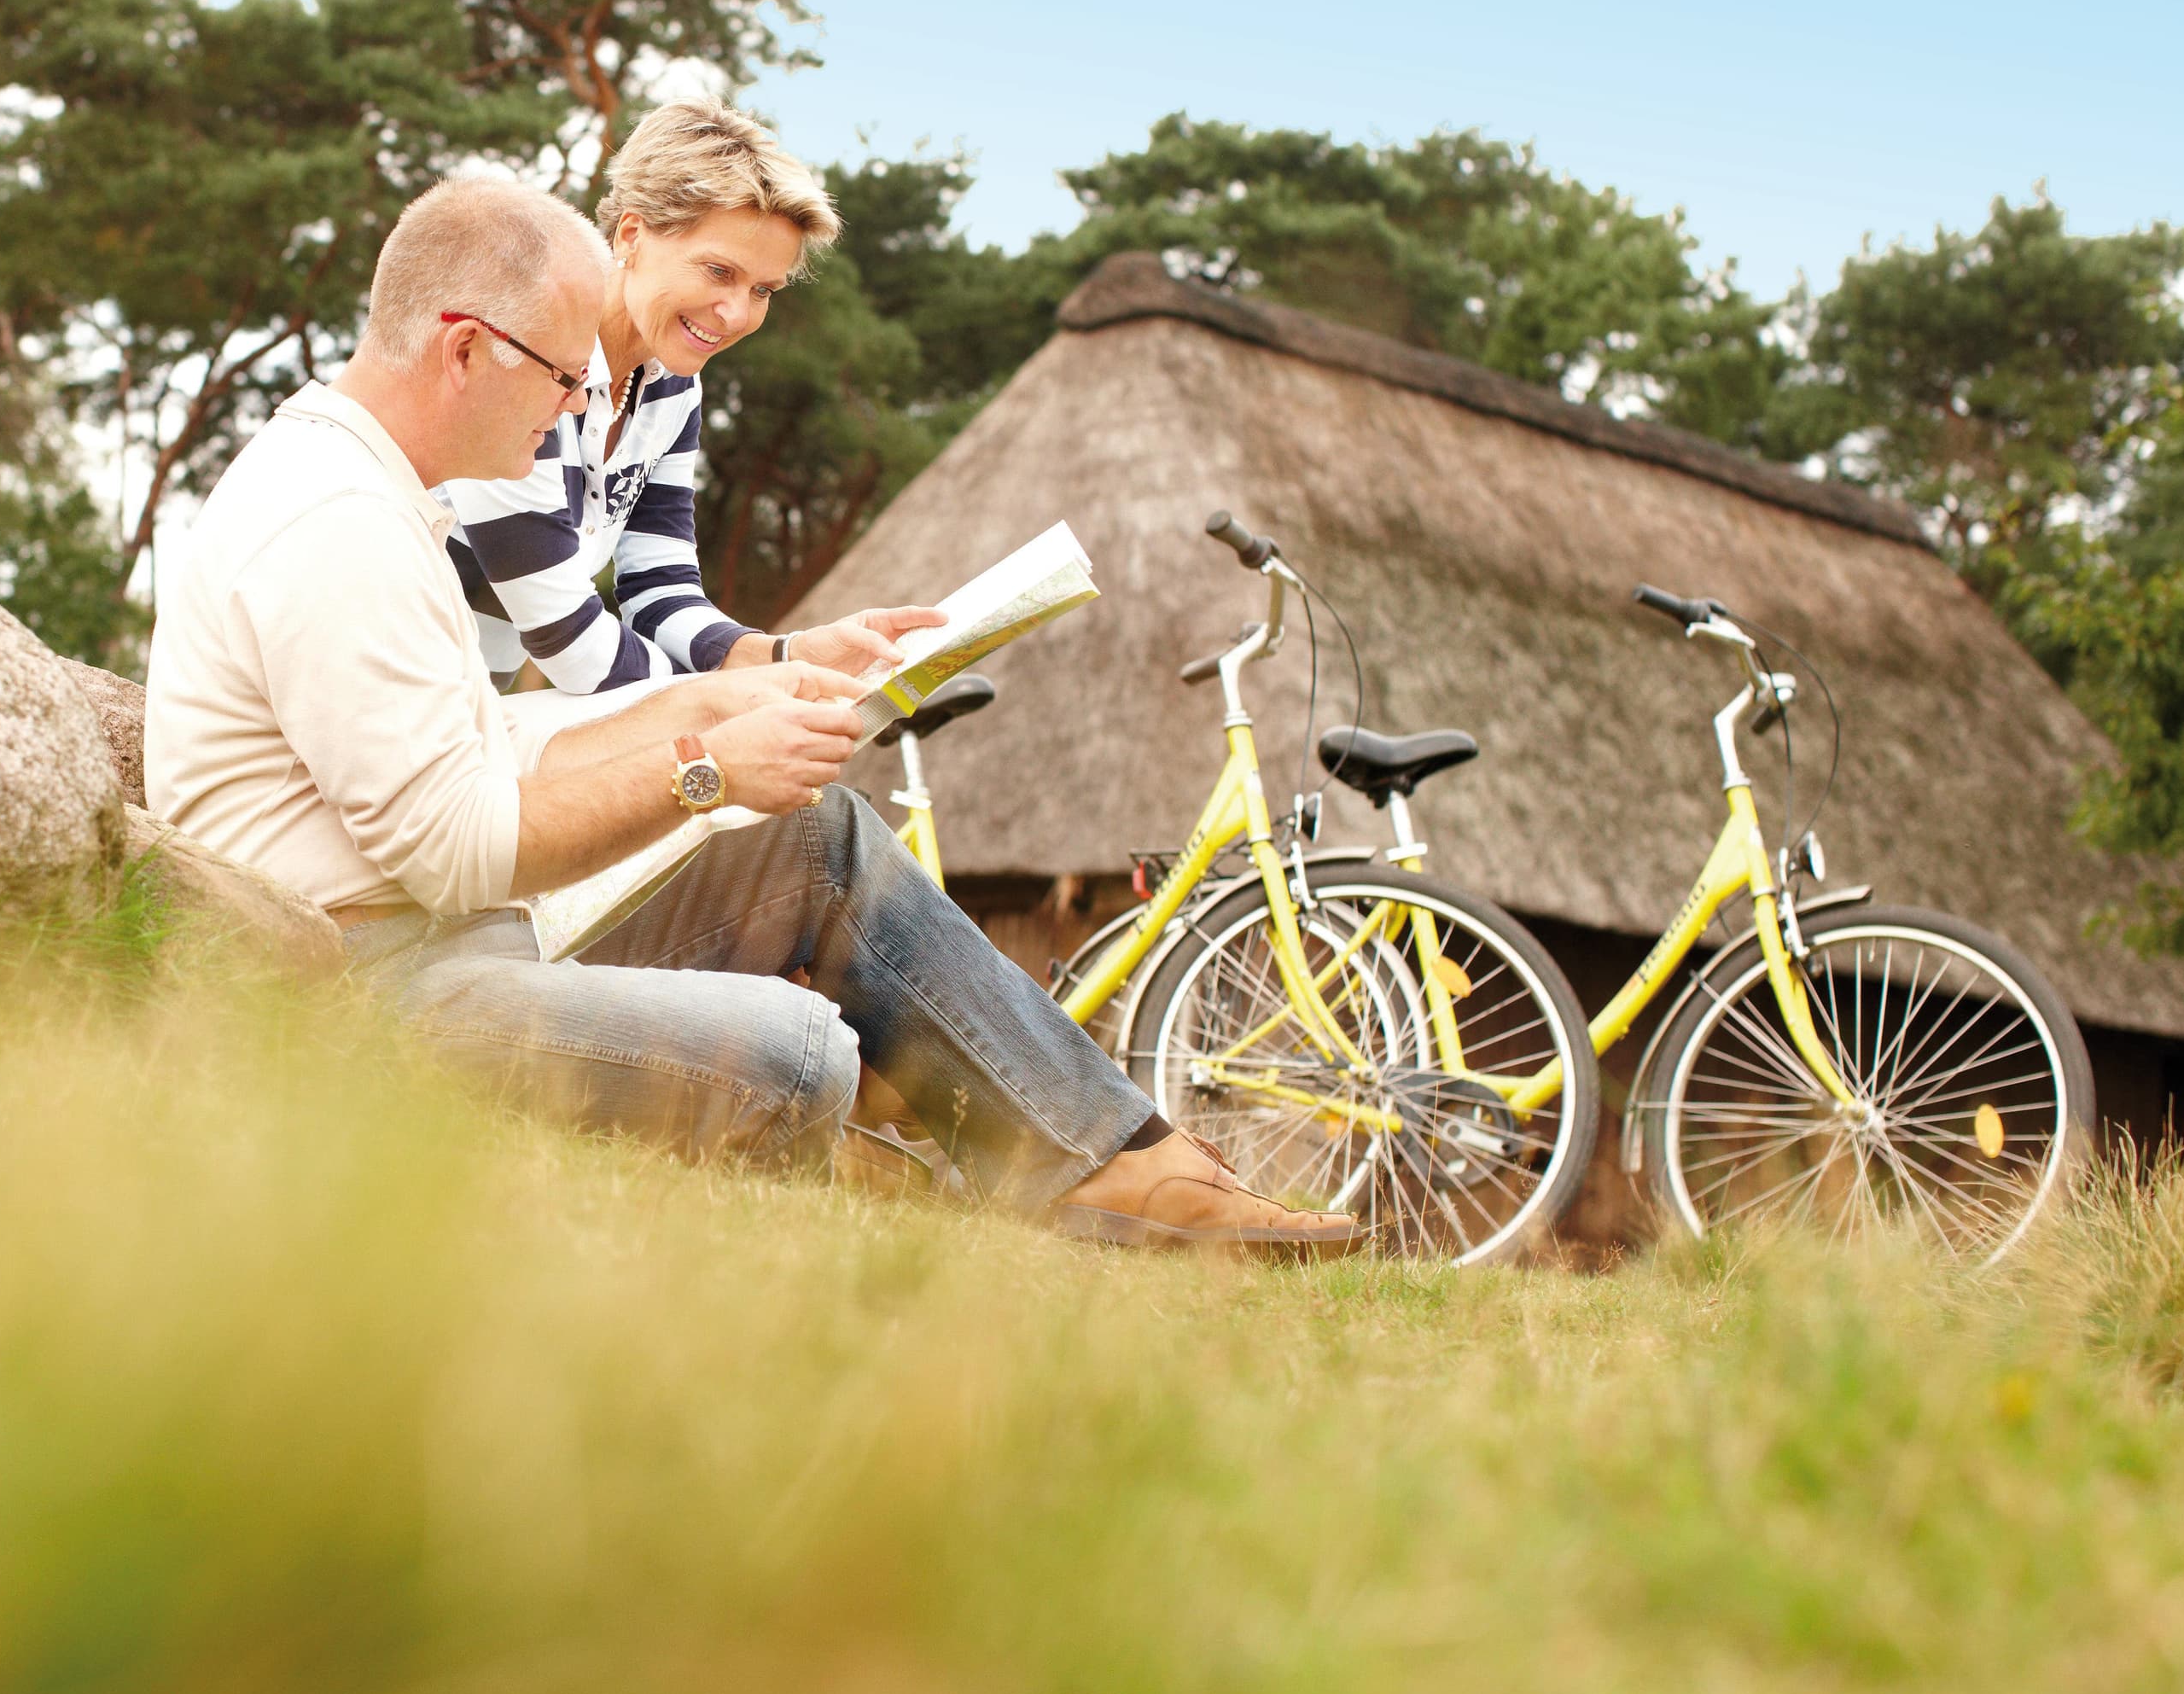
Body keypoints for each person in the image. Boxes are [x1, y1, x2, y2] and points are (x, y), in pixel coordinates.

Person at [146, 175, 1353, 1248]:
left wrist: (729, 691)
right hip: (375, 997)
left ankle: (1120, 1169)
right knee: (801, 1051)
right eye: (563, 376)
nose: (574, 410)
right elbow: (455, 846)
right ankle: (965, 1190)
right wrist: (706, 772)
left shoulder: (382, 495)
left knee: (815, 838)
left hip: (460, 942)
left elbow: (494, 745)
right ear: (465, 350)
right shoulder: (337, 526)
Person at [440, 101, 935, 694]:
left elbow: (660, 587)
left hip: (460, 711)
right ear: (632, 234)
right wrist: (741, 699)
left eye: (763, 290)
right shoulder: (524, 355)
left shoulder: (673, 387)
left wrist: (784, 656)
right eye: (719, 272)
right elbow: (564, 636)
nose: (737, 314)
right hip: (352, 698)